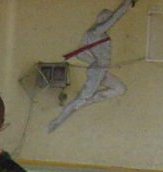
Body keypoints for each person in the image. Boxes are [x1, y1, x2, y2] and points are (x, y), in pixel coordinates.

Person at [48, 0, 136, 133]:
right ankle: (58, 120)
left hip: (101, 70)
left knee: (119, 88)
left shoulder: (95, 34)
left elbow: (82, 54)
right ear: (101, 19)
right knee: (81, 99)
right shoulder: (96, 32)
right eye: (106, 18)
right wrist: (127, 4)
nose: (108, 21)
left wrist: (99, 63)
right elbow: (115, 17)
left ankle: (88, 100)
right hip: (97, 71)